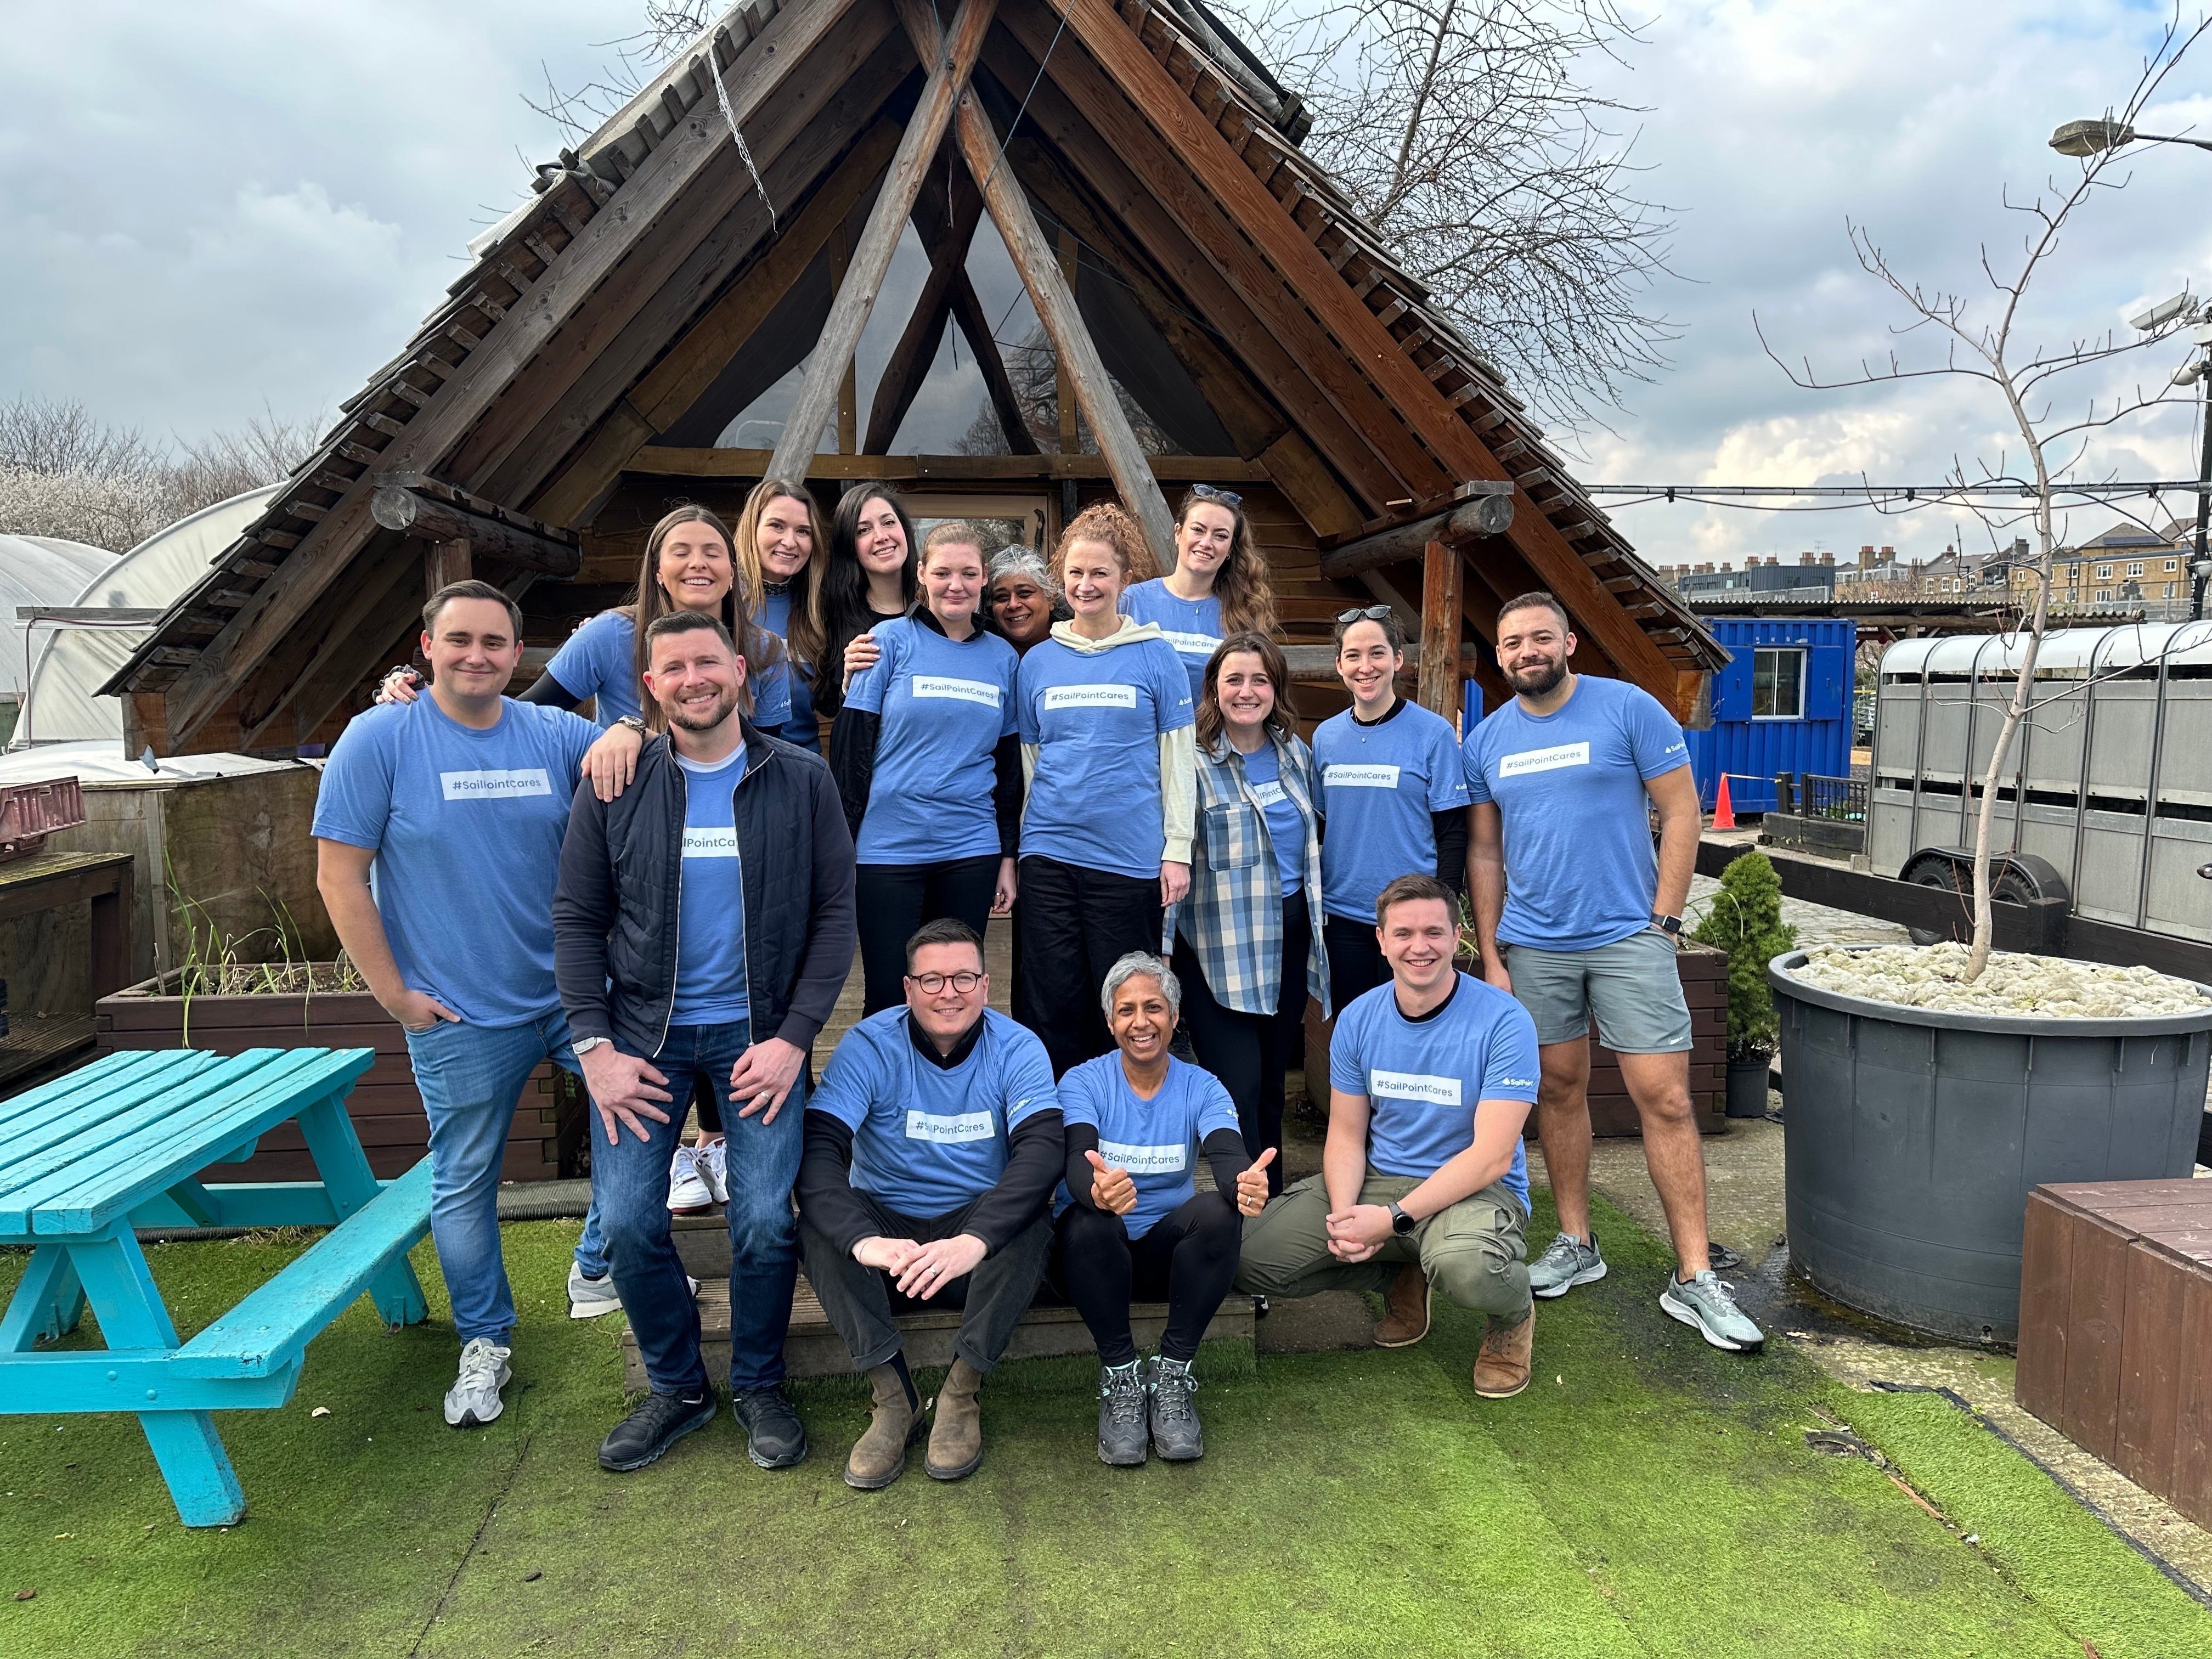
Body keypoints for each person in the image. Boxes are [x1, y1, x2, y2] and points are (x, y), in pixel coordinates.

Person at [373, 504, 794, 1299]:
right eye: (681, 551)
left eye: (713, 551)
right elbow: (526, 704)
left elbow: (760, 752)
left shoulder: (764, 650)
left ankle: (639, 1225)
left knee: (679, 1065)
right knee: (634, 1086)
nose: (699, 564)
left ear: (733, 571)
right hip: (627, 867)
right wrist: (420, 698)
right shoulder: (609, 634)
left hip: (727, 883)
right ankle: (605, 1261)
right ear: (657, 565)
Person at [551, 610, 857, 1474]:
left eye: (707, 662)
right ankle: (678, 1388)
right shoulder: (616, 783)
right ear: (650, 686)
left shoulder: (799, 777)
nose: (694, 679)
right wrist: (596, 1051)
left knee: (763, 1218)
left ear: (739, 671)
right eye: (673, 667)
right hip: (642, 1039)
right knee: (626, 1222)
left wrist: (797, 1040)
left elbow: (836, 917)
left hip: (760, 1039)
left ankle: (760, 1382)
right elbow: (576, 920)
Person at [314, 580, 610, 1429]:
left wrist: (627, 725)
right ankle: (486, 1339)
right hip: (459, 1014)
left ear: (520, 656)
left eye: (495, 643)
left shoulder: (554, 732)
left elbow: (646, 752)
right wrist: (397, 997)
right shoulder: (379, 740)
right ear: (427, 646)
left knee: (640, 1123)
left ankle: (598, 1260)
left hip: (570, 1000)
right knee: (466, 1180)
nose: (477, 656)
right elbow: (340, 877)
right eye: (461, 641)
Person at [1464, 591, 1765, 1353]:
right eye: (1512, 643)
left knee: (1663, 1098)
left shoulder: (1628, 709)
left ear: (1568, 640)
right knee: (1559, 1090)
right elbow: (1486, 853)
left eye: (1540, 636)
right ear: (1498, 657)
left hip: (1629, 936)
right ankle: (1576, 1243)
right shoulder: (1487, 741)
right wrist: (1494, 953)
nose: (1527, 651)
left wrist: (1664, 923)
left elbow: (1683, 814)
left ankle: (1694, 1275)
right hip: (1535, 945)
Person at [1236, 874, 1542, 1401]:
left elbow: (1491, 1157)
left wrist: (1395, 1218)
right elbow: (1347, 1135)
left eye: (1433, 932)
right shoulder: (1358, 1019)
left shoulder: (1504, 1021)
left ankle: (1512, 1315)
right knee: (1246, 1259)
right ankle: (1401, 1275)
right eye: (1403, 934)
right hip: (1382, 1179)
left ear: (1458, 936)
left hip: (1474, 1189)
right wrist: (1346, 1214)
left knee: (1466, 1269)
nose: (1419, 947)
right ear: (1380, 940)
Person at [795, 919, 1063, 1489]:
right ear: (908, 987)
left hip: (971, 1244)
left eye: (964, 977)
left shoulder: (1017, 1048)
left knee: (1030, 1221)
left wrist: (976, 1240)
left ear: (986, 986)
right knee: (820, 1229)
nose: (950, 992)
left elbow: (1041, 1152)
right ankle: (893, 1398)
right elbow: (820, 1151)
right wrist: (865, 1241)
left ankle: (961, 1393)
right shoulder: (868, 1045)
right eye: (933, 979)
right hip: (889, 1240)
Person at [1054, 952, 1271, 1466]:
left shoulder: (1202, 1086)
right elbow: (1075, 1157)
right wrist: (1097, 1192)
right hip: (1089, 1259)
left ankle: (1173, 1374)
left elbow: (1226, 1154)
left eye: (1154, 1008)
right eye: (1126, 1011)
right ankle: (1121, 1378)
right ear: (1110, 1023)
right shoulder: (1083, 1082)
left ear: (1174, 1019)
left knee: (1220, 1213)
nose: (1141, 1022)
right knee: (1090, 1222)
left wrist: (1245, 1183)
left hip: (1161, 1258)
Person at [1015, 504, 1195, 1077]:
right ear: (1061, 580)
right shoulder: (1039, 662)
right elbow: (1032, 760)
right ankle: (1058, 1125)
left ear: (1124, 580)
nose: (1086, 585)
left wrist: (1177, 848)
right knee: (1052, 998)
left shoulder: (1156, 655)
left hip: (1127, 860)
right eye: (1075, 573)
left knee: (1124, 999)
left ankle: (1121, 1115)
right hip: (1049, 855)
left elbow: (1178, 759)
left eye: (1100, 574)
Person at [832, 522, 1023, 1015]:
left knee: (955, 991)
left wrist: (1006, 855)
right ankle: (889, 1092)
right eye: (942, 572)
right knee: (890, 992)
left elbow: (1007, 769)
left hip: (970, 849)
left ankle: (950, 1090)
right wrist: (843, 843)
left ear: (983, 580)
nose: (955, 584)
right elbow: (851, 752)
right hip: (888, 850)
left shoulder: (1003, 658)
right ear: (921, 575)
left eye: (968, 573)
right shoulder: (887, 641)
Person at [1165, 633, 1327, 1199]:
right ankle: (1244, 1212)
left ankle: (1272, 1215)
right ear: (1213, 688)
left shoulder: (1295, 755)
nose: (1247, 691)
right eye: (1234, 679)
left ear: (1276, 688)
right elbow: (1172, 857)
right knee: (1237, 1089)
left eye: (1260, 679)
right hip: (1218, 953)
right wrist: (1164, 960)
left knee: (1270, 1093)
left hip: (1287, 942)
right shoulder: (1191, 762)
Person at [1311, 607, 1469, 1008]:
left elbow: (1453, 832)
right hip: (1343, 916)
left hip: (1412, 921)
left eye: (1377, 653)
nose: (1366, 667)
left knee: (1418, 1027)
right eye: (1354, 656)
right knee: (1357, 1028)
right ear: (1340, 666)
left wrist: (1443, 914)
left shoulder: (1433, 734)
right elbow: (1322, 827)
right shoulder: (1326, 738)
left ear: (1398, 660)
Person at [1118, 484, 1278, 701]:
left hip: (1212, 734)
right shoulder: (1131, 600)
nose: (1206, 543)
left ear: (1230, 549)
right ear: (1178, 533)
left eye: (1220, 536)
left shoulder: (1244, 612)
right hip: (1143, 734)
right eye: (1198, 530)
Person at [737, 478, 830, 753]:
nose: (789, 542)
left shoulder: (818, 609)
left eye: (803, 531)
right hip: (735, 768)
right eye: (777, 526)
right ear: (752, 528)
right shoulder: (721, 602)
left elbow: (830, 701)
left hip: (802, 769)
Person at [814, 482, 917, 724]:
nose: (881, 537)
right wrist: (849, 686)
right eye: (863, 530)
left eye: (889, 522)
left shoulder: (938, 608)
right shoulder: (833, 617)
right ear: (850, 547)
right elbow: (830, 707)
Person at [985, 545, 1066, 654]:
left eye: (1024, 593)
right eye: (1002, 597)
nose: (1013, 605)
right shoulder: (983, 658)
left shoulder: (1080, 649)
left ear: (1050, 597)